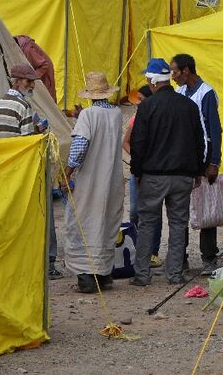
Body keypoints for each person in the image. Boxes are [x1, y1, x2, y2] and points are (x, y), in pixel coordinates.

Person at [129, 58, 205, 286]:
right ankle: (174, 274)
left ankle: (142, 274)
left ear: (153, 82)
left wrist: (137, 171)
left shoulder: (147, 107)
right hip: (182, 176)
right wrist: (198, 170)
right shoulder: (189, 106)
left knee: (147, 224)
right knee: (178, 224)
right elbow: (198, 141)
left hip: (153, 176)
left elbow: (138, 143)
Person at [0, 64, 61, 279]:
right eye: (30, 81)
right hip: (25, 168)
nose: (32, 85)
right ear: (19, 81)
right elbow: (26, 142)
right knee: (42, 212)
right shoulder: (22, 105)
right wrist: (39, 131)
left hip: (6, 166)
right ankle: (48, 263)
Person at [62, 72, 124, 294]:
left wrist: (67, 172)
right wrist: (81, 117)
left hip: (90, 180)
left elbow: (80, 147)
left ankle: (87, 276)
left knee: (84, 222)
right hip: (112, 179)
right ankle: (103, 273)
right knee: (106, 222)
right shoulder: (116, 113)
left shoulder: (88, 115)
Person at [170, 54, 223, 275]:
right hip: (184, 158)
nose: (173, 76)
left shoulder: (206, 93)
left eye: (175, 71)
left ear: (186, 70)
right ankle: (180, 258)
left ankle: (209, 257)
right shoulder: (180, 93)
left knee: (206, 209)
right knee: (179, 208)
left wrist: (213, 162)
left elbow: (214, 129)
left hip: (203, 159)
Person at [123, 85, 162, 269]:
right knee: (134, 211)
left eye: (140, 99)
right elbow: (126, 142)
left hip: (153, 171)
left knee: (154, 211)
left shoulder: (157, 117)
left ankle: (152, 252)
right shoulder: (134, 119)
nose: (137, 103)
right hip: (138, 170)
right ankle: (135, 248)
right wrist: (137, 156)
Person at [15, 35, 56, 103]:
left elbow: (44, 65)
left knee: (46, 100)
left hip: (44, 74)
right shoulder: (21, 45)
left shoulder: (27, 49)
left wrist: (31, 77)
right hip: (38, 73)